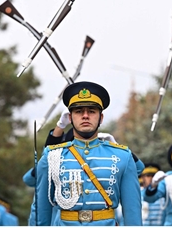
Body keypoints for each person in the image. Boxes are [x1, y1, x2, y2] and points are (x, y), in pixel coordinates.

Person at [35, 81, 141, 225]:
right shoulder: (52, 156)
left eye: (91, 111)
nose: (85, 116)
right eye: (79, 111)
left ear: (101, 118)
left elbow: (132, 212)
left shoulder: (122, 156)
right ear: (70, 118)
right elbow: (41, 210)